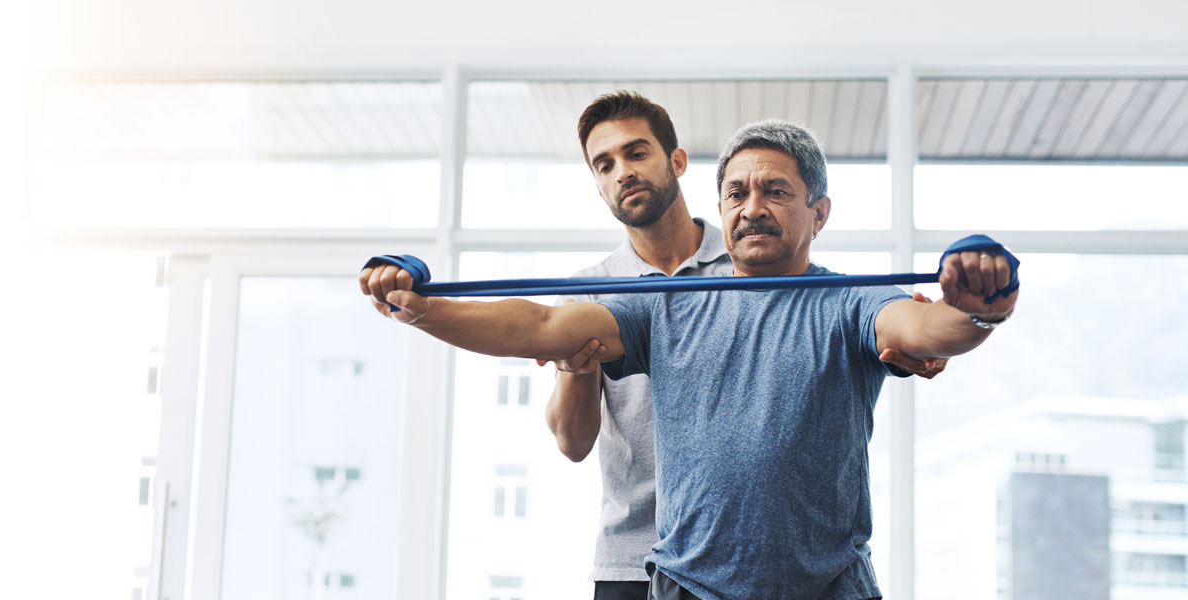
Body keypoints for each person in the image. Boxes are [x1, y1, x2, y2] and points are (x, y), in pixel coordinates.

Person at [359, 118, 1017, 599]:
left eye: (776, 193)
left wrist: (982, 300)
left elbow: (930, 328)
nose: (752, 208)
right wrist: (419, 305)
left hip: (830, 587)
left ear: (818, 213)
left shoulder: (850, 301)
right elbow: (544, 325)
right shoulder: (664, 303)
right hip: (686, 586)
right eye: (736, 193)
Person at [539, 92, 948, 600]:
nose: (622, 172)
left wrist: (925, 339)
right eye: (604, 165)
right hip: (634, 557)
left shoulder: (751, 254)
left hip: (765, 555)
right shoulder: (591, 290)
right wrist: (574, 363)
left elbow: (844, 331)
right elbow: (573, 443)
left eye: (636, 153)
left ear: (677, 161)